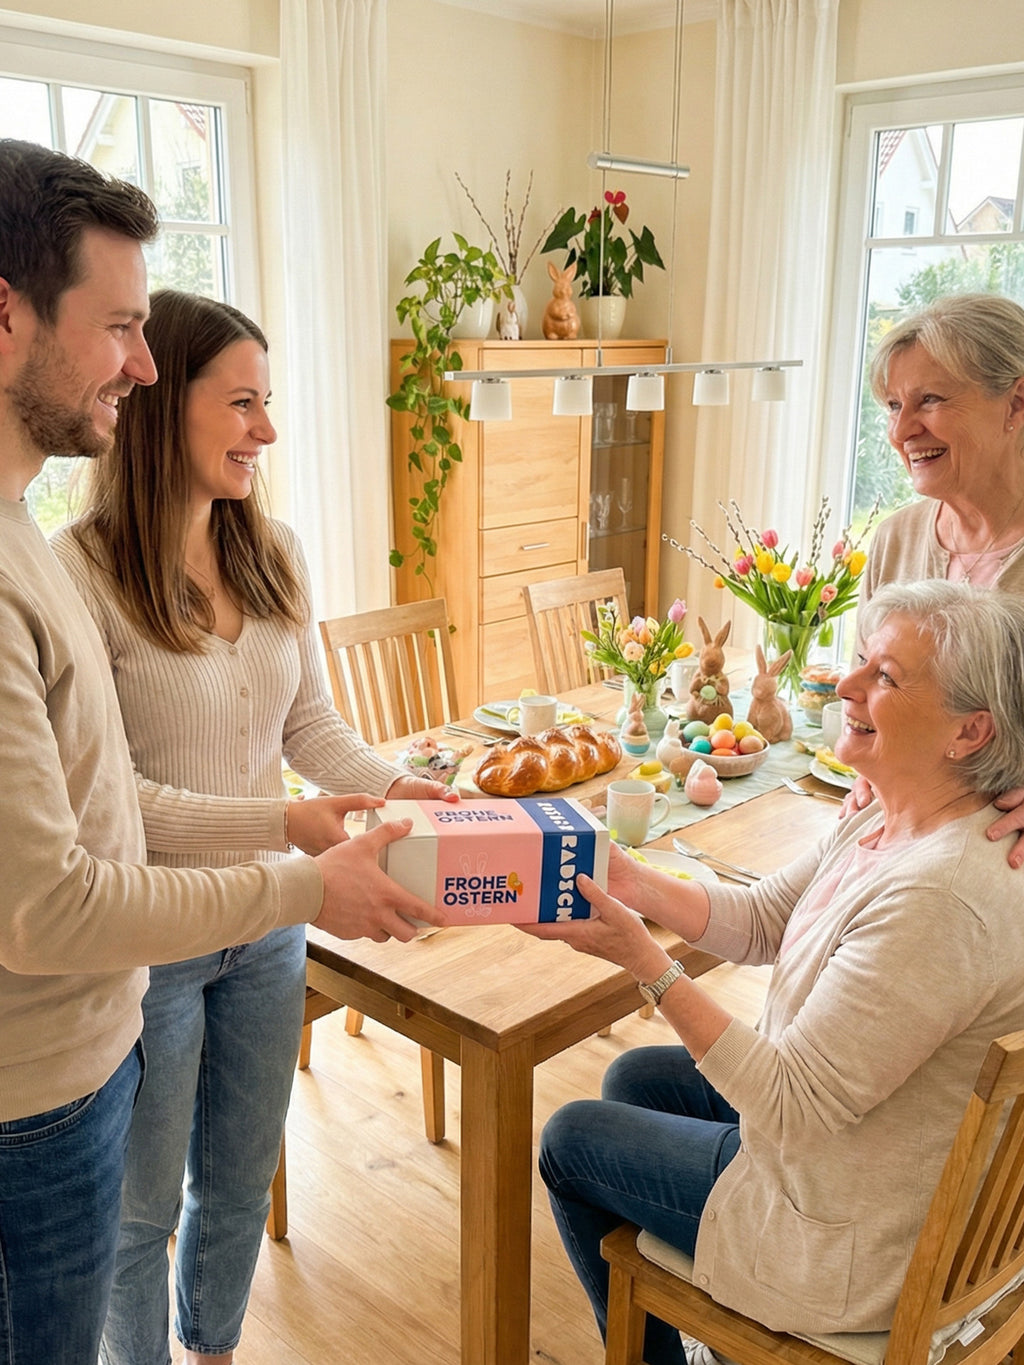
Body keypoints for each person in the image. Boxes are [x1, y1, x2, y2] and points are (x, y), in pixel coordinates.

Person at [0, 138, 442, 1365]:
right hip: (150, 941)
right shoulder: (74, 569)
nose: (267, 429)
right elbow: (108, 815)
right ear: (167, 407)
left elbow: (309, 731)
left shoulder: (270, 549)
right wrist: (290, 839)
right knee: (138, 1217)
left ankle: (218, 1347)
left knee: (238, 1183)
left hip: (261, 931)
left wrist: (395, 786)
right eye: (241, 401)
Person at [525, 578, 1024, 1364]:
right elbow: (763, 919)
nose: (845, 684)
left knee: (568, 1139)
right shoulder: (888, 813)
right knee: (635, 1077)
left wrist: (643, 960)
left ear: (969, 732)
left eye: (885, 676)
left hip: (854, 1235)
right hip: (867, 1151)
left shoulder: (940, 897)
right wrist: (634, 882)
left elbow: (790, 1104)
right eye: (861, 660)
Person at [855, 292, 1024, 857]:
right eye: (892, 406)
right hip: (900, 844)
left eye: (929, 400)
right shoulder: (896, 540)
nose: (902, 431)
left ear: (1016, 402)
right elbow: (868, 704)